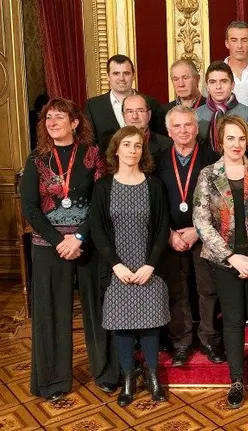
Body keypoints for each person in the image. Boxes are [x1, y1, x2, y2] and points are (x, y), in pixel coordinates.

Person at [20, 98, 119, 401]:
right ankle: (53, 381)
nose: (52, 122)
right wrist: (58, 241)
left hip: (87, 244)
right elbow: (30, 207)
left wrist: (78, 237)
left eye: (59, 117)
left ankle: (105, 373)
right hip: (48, 247)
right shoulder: (36, 159)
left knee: (97, 310)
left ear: (75, 122)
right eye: (48, 118)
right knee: (51, 313)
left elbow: (101, 201)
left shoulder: (92, 155)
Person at [192, 116, 248, 408]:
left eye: (241, 138)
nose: (236, 144)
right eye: (230, 138)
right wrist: (232, 257)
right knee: (231, 322)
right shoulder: (208, 175)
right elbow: (202, 222)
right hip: (224, 261)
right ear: (221, 141)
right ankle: (237, 380)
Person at [89, 126, 170, 407]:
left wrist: (150, 264)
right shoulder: (103, 187)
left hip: (148, 268)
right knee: (122, 326)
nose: (132, 151)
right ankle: (127, 378)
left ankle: (152, 375)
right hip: (117, 271)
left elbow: (161, 228)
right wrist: (116, 266)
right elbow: (97, 230)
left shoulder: (154, 185)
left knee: (150, 325)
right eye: (127, 145)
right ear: (116, 149)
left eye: (137, 146)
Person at [154, 106, 222, 366]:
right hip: (171, 237)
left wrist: (198, 231)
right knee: (177, 292)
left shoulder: (212, 158)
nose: (183, 131)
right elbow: (154, 202)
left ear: (197, 128)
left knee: (208, 290)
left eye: (188, 125)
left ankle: (209, 340)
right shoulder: (157, 160)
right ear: (169, 131)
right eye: (177, 126)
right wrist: (169, 233)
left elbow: (221, 202)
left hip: (204, 236)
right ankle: (180, 342)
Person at [85, 55, 163, 149]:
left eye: (126, 73)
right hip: (106, 163)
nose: (121, 78)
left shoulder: (152, 103)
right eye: (116, 73)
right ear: (108, 76)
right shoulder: (93, 106)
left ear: (133, 75)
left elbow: (159, 139)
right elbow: (89, 143)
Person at [196, 61, 248, 151]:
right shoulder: (196, 115)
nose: (218, 87)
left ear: (232, 85)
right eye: (213, 82)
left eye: (223, 81)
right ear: (207, 86)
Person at [103, 94, 172, 155]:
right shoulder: (109, 144)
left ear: (149, 114)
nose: (135, 116)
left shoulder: (167, 145)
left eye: (140, 111)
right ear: (123, 116)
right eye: (130, 111)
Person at [159, 59, 207, 125]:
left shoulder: (212, 108)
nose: (181, 84)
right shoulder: (163, 112)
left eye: (185, 78)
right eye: (176, 79)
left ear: (197, 79)